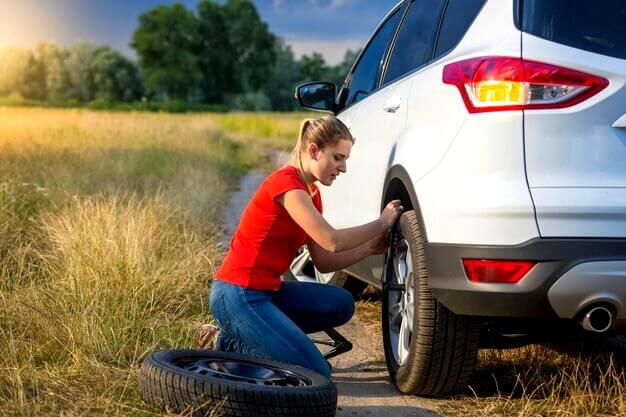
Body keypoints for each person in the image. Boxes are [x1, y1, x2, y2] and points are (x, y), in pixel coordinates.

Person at [199, 115, 403, 378]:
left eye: (346, 160)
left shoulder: (312, 195)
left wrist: (368, 249)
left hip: (268, 294)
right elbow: (332, 240)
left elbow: (324, 260)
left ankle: (270, 339)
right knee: (315, 372)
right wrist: (382, 222)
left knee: (341, 303)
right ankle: (224, 342)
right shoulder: (285, 184)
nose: (343, 168)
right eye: (338, 158)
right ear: (314, 150)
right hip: (237, 295)